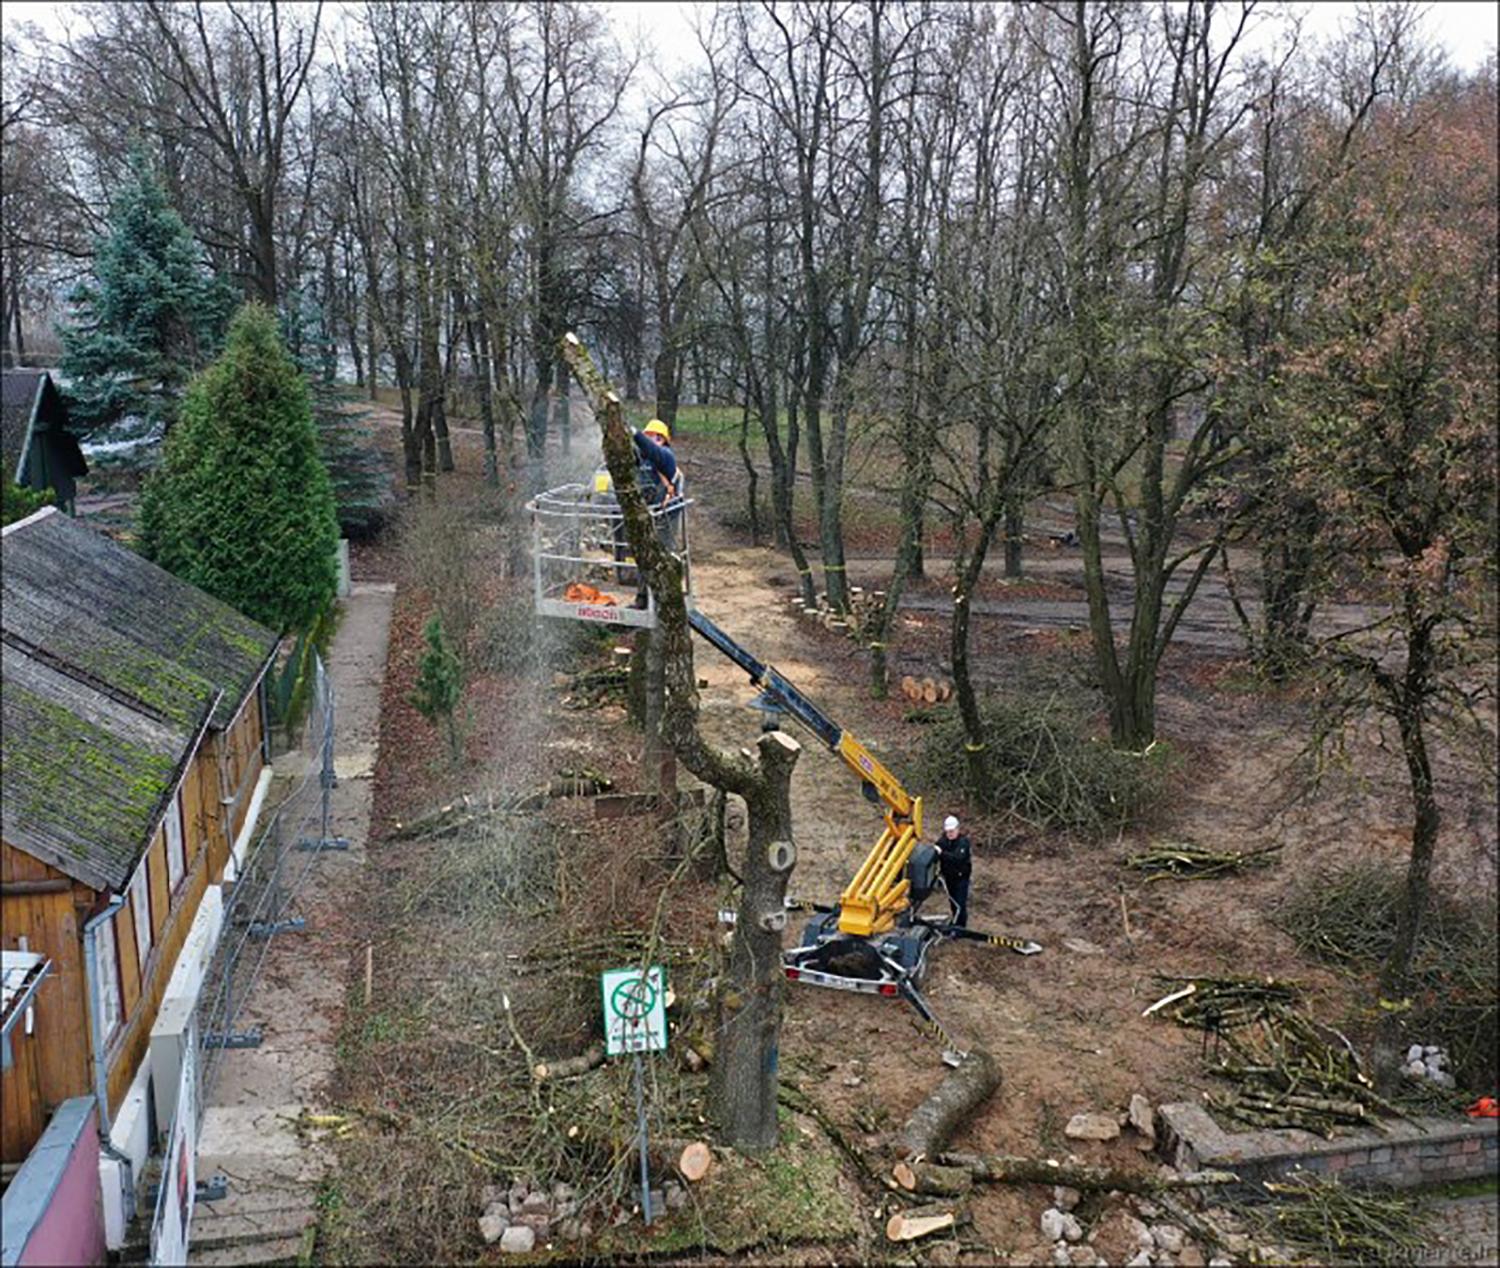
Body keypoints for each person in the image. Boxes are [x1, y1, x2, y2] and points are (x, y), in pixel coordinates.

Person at [628, 418, 684, 608]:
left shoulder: (665, 456)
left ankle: (662, 599)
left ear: (660, 439)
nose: (645, 440)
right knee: (644, 555)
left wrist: (634, 432)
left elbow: (652, 451)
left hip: (666, 515)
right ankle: (642, 598)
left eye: (649, 436)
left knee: (661, 555)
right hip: (649, 512)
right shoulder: (643, 459)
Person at [935, 814, 972, 928]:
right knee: (953, 902)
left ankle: (960, 926)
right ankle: (955, 921)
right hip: (949, 878)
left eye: (952, 831)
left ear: (957, 829)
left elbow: (958, 858)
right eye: (948, 832)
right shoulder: (943, 841)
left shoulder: (963, 843)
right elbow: (936, 849)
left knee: (960, 903)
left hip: (961, 878)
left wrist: (942, 853)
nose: (950, 834)